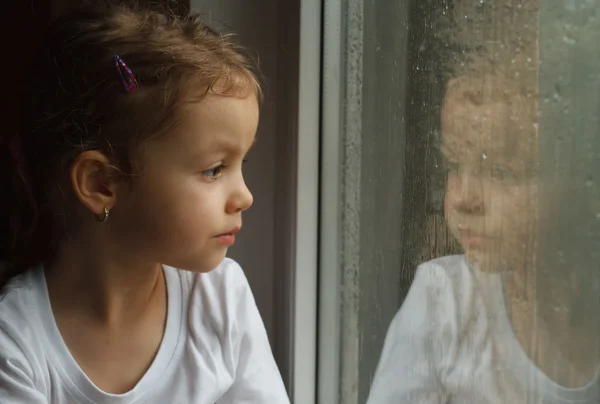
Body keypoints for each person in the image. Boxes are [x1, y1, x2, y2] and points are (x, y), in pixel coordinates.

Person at [0, 4, 289, 403]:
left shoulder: (221, 298)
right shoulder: (14, 344)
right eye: (214, 169)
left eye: (242, 163)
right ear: (102, 183)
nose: (245, 196)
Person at [366, 69, 600, 403]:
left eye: (502, 172)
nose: (463, 198)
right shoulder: (446, 301)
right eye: (454, 164)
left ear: (578, 183)